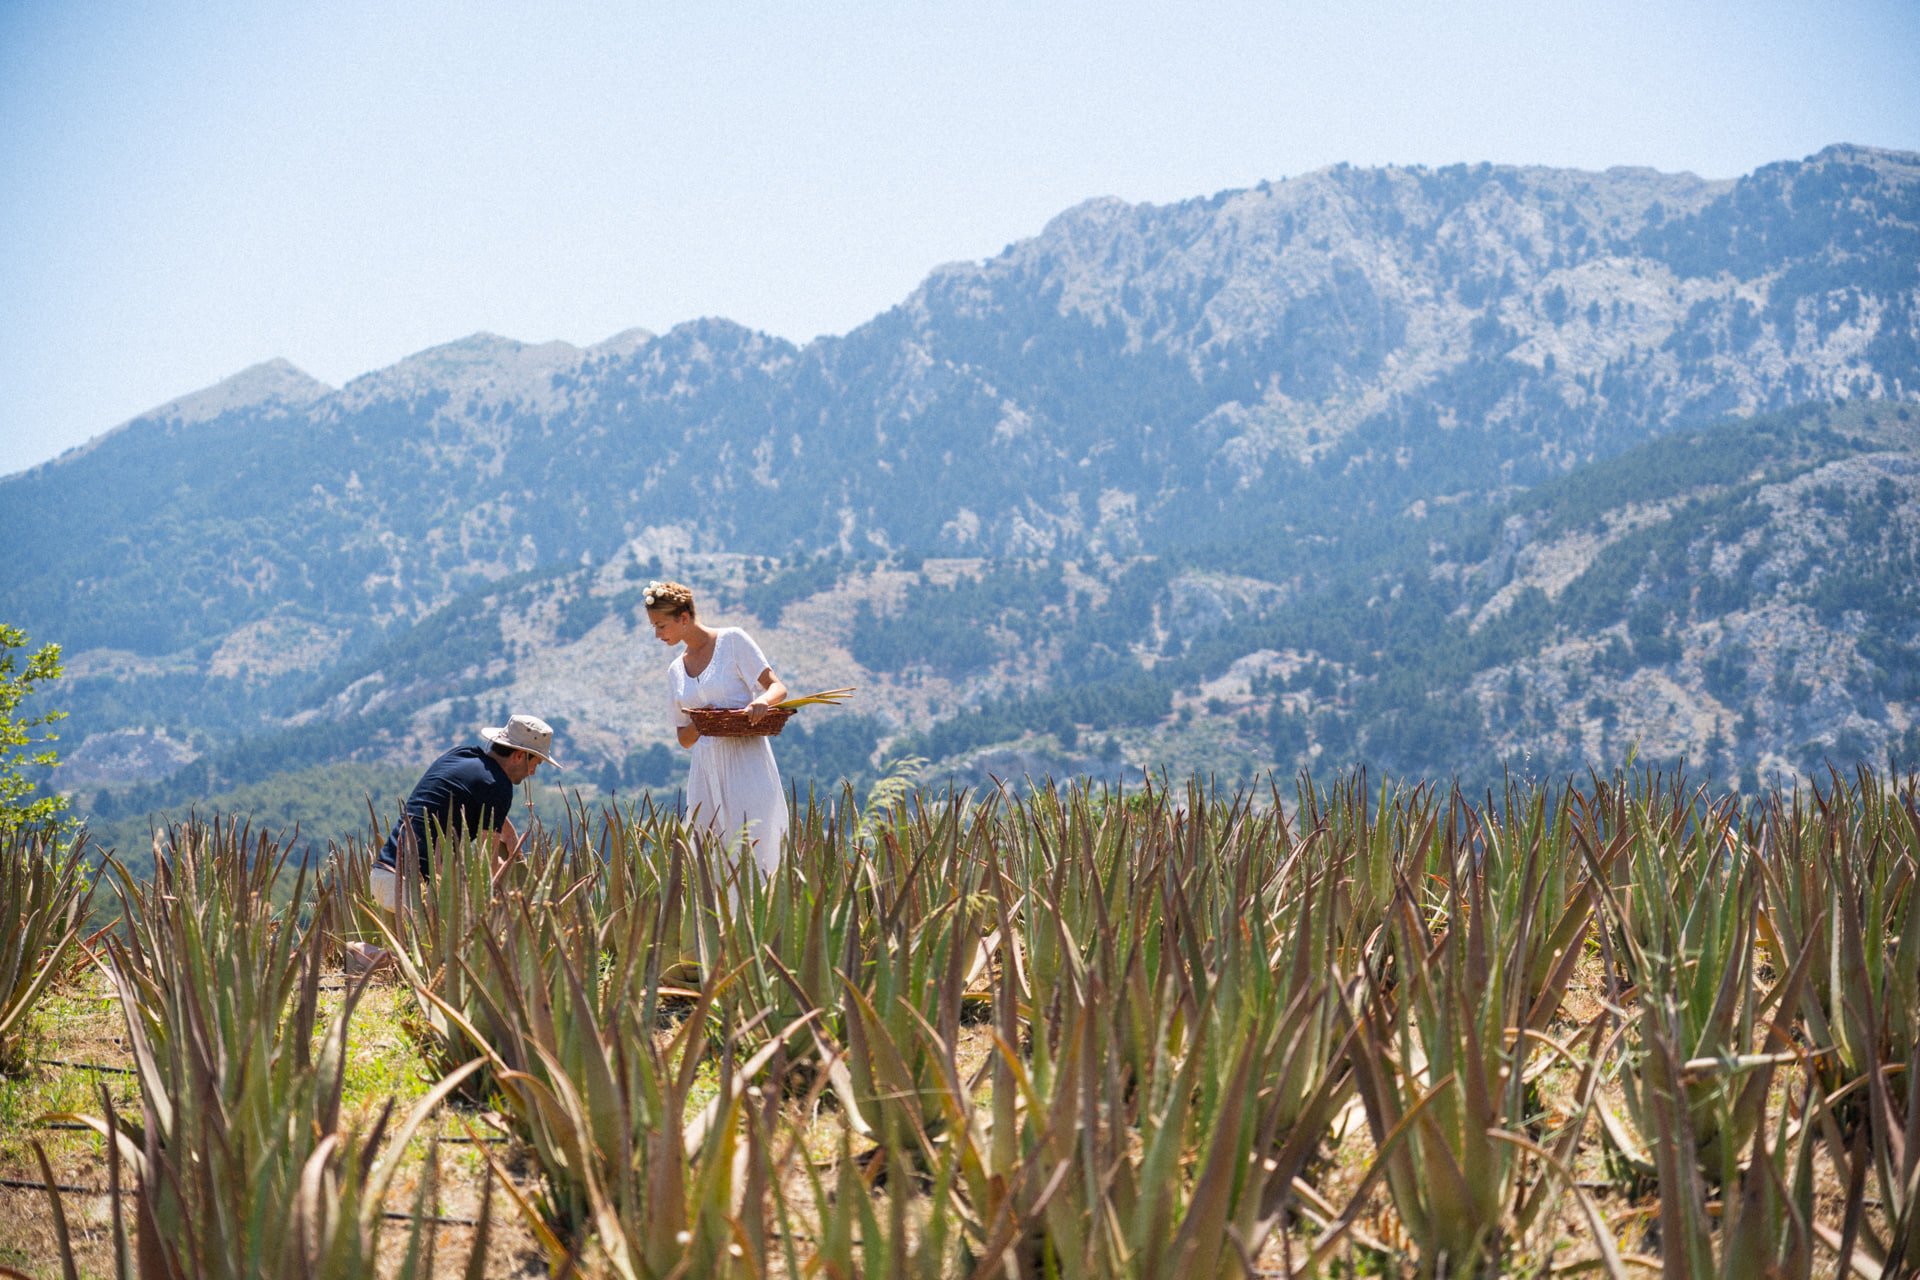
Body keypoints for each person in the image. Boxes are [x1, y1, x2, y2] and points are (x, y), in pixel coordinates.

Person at [343, 714, 562, 972]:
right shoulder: (498, 786)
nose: (533, 772)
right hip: (412, 885)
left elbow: (498, 822)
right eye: (534, 763)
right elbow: (485, 864)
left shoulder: (464, 756)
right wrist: (507, 899)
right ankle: (361, 954)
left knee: (436, 956)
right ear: (518, 756)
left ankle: (368, 956)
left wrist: (516, 853)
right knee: (446, 963)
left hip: (384, 872)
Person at [644, 579, 790, 877]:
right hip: (705, 772)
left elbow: (777, 688)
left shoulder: (733, 641)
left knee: (756, 852)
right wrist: (702, 722)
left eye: (661, 625)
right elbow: (684, 739)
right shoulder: (676, 671)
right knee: (710, 860)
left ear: (683, 618)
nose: (657, 634)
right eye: (654, 627)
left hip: (747, 766)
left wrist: (761, 702)